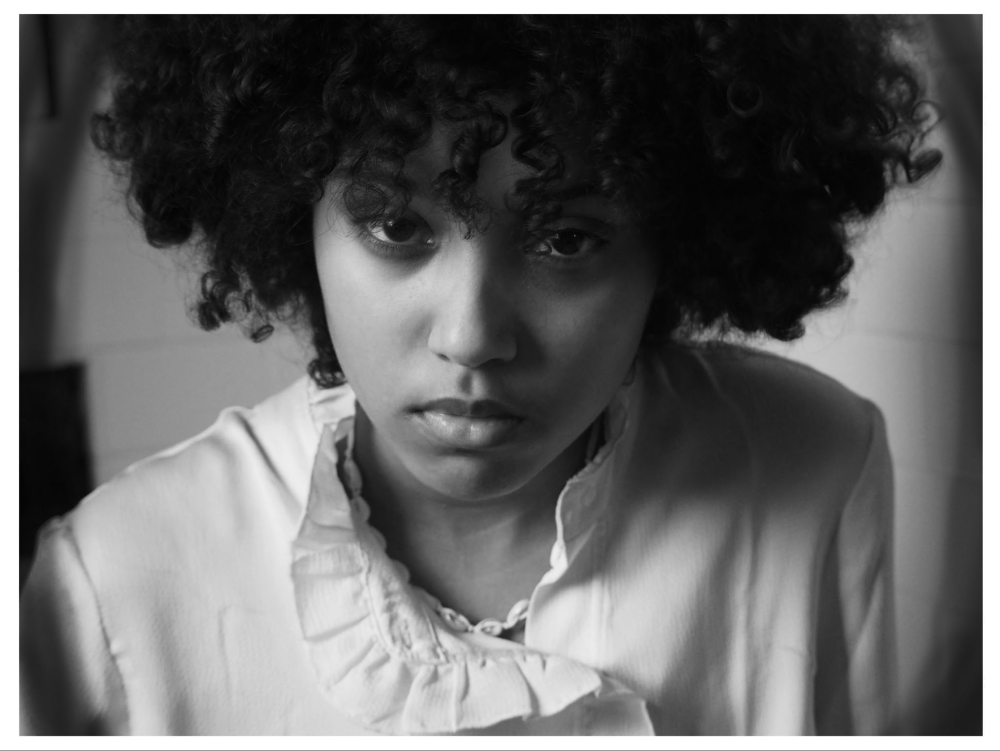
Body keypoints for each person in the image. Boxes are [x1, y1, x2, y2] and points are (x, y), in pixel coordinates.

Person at [20, 15, 940, 736]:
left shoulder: (815, 461)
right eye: (396, 226)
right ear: (293, 212)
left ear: (677, 242)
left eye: (565, 238)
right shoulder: (119, 579)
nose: (472, 336)